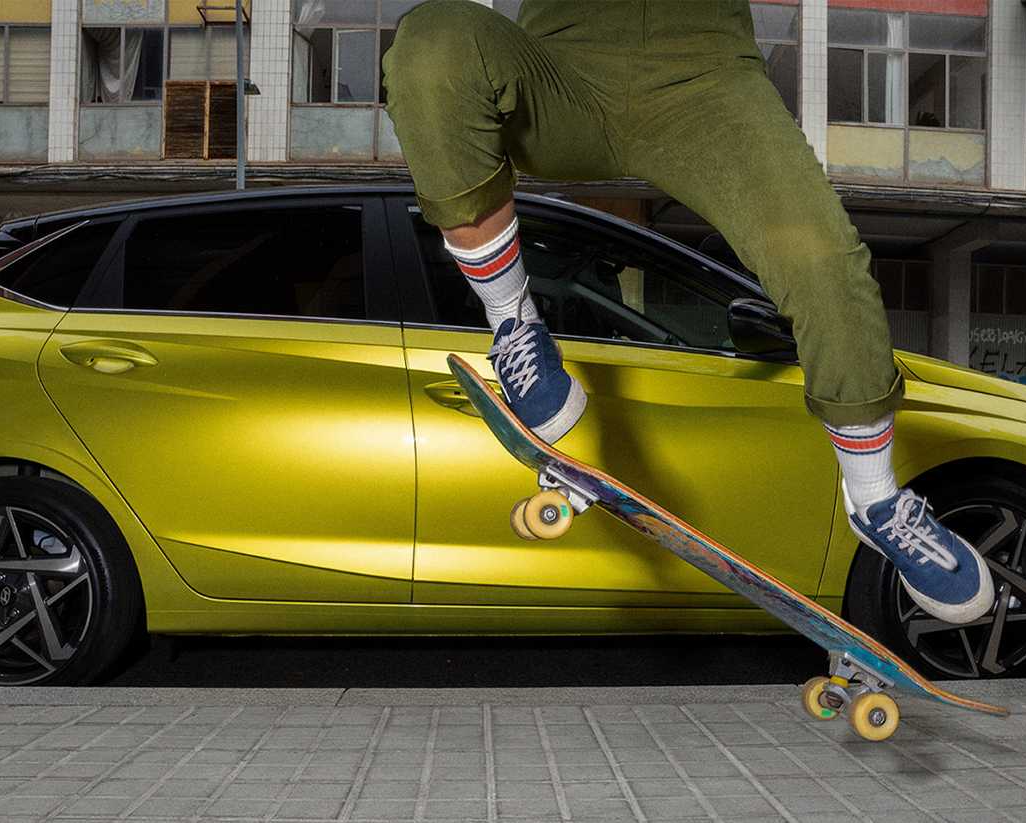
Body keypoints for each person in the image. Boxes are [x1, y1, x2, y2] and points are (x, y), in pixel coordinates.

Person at [382, 0, 993, 624]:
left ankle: (876, 502)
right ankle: (513, 320)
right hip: (560, 78)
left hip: (706, 84)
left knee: (823, 263)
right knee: (432, 40)